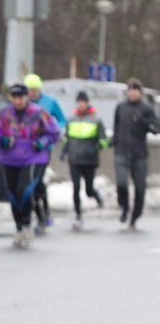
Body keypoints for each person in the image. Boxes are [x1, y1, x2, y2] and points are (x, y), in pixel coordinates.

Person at [0, 83, 60, 248]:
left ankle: (27, 225)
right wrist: (2, 141)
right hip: (9, 158)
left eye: (22, 97)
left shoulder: (38, 113)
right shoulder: (4, 114)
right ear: (11, 98)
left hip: (32, 157)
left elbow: (53, 132)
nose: (19, 100)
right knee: (12, 194)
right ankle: (19, 227)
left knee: (25, 191)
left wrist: (42, 142)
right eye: (15, 97)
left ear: (27, 97)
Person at [111, 78, 159, 230]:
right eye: (130, 90)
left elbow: (156, 128)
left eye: (135, 90)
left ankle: (135, 216)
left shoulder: (146, 108)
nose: (132, 93)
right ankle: (124, 207)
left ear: (140, 92)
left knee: (140, 188)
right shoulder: (121, 107)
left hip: (139, 154)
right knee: (121, 183)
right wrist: (114, 140)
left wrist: (143, 121)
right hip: (122, 151)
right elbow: (116, 126)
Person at [24, 73, 66, 233]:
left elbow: (61, 120)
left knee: (35, 180)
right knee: (34, 183)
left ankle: (43, 214)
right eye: (30, 90)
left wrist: (57, 129)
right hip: (26, 150)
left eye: (35, 90)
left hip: (44, 149)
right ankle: (44, 211)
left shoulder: (50, 102)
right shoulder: (23, 104)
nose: (32, 93)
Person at [61, 90, 106, 230]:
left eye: (83, 102)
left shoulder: (96, 120)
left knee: (88, 190)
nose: (81, 104)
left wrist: (97, 147)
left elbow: (103, 139)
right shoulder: (71, 120)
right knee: (75, 188)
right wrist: (64, 150)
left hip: (89, 160)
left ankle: (96, 195)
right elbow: (66, 138)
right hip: (74, 160)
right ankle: (78, 215)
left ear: (87, 103)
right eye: (79, 102)